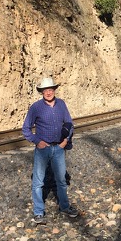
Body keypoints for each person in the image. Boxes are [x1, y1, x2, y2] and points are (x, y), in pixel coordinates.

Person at [22, 77, 78, 225]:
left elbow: (69, 124)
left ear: (54, 90)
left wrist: (65, 141)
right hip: (43, 149)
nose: (48, 92)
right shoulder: (36, 107)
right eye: (45, 90)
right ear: (41, 92)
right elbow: (26, 129)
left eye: (50, 89)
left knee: (61, 180)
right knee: (38, 182)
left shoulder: (61, 104)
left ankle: (64, 207)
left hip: (59, 148)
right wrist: (37, 141)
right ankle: (38, 213)